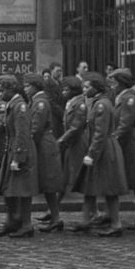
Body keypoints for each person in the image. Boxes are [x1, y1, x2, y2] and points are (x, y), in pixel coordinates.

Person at [70, 72, 128, 236]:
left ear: (96, 89)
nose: (84, 90)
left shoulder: (101, 105)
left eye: (87, 87)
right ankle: (85, 220)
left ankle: (116, 224)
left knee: (110, 188)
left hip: (104, 149)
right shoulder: (97, 103)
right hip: (100, 148)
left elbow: (100, 133)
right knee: (90, 186)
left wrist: (92, 153)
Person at [0, 75, 39, 238]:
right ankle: (12, 221)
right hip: (12, 148)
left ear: (11, 89)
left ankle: (26, 224)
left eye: (2, 90)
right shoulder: (13, 104)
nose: (0, 93)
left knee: (22, 190)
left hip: (20, 150)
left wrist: (18, 157)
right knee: (10, 188)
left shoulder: (19, 106)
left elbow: (22, 134)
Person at [107, 69, 135, 228]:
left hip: (130, 143)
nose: (111, 86)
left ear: (121, 83)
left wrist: (112, 141)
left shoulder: (129, 100)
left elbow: (125, 125)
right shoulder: (120, 98)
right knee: (118, 179)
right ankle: (111, 215)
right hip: (123, 142)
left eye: (113, 82)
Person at [23, 74, 65, 232]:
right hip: (42, 143)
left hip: (43, 145)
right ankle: (55, 217)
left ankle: (56, 218)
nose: (25, 89)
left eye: (27, 86)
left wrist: (28, 144)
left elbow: (36, 127)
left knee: (49, 182)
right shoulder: (36, 100)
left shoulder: (40, 102)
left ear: (35, 86)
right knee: (48, 184)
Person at [56, 77, 88, 205]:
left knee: (79, 178)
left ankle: (92, 212)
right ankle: (53, 210)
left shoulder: (79, 104)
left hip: (78, 142)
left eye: (66, 90)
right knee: (65, 177)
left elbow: (76, 126)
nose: (63, 92)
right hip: (71, 143)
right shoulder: (71, 102)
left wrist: (61, 140)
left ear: (73, 91)